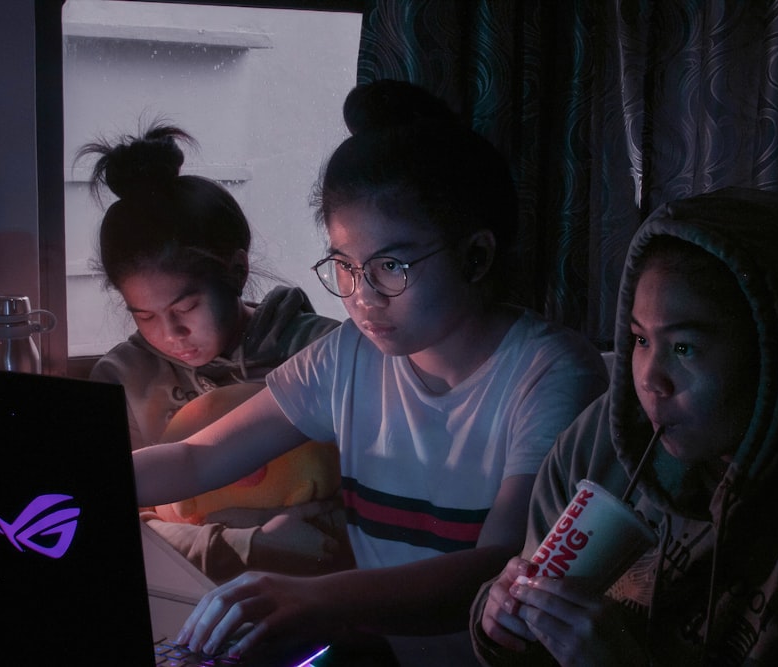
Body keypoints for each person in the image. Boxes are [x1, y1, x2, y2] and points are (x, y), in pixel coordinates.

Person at [133, 82, 609, 665]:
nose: (361, 297)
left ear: (476, 256)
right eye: (344, 266)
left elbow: (494, 567)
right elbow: (197, 459)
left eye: (390, 266)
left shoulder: (551, 373)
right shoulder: (351, 355)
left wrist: (314, 598)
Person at [471, 187, 778, 666]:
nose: (649, 380)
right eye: (639, 339)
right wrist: (501, 618)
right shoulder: (604, 442)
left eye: (684, 348)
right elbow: (527, 618)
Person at [77, 123, 345, 582]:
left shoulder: (319, 354)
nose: (172, 333)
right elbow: (116, 526)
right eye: (144, 316)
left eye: (187, 307)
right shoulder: (124, 377)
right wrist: (245, 542)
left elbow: (368, 508)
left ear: (237, 271)